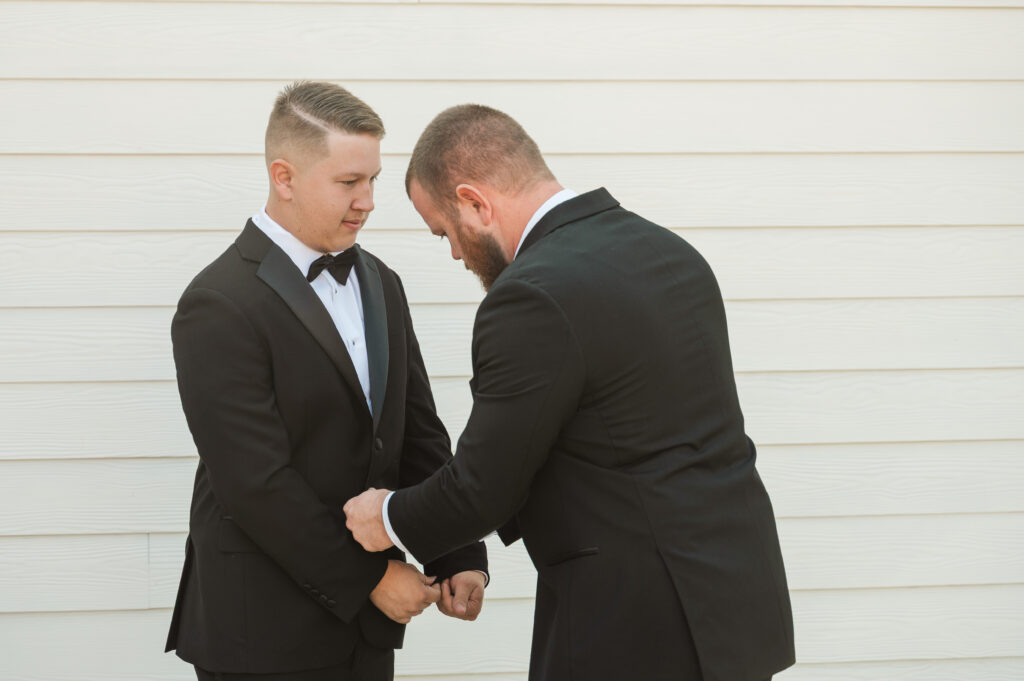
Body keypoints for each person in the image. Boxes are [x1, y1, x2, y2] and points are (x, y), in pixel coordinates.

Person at [343, 104, 795, 681]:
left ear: (475, 203)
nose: (455, 253)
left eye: (446, 232)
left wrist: (386, 515)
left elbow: (483, 488)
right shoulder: (669, 251)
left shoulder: (530, 295)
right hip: (734, 604)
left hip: (635, 623)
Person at [165, 82, 488, 681]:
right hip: (260, 632)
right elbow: (254, 484)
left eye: (373, 180)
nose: (366, 201)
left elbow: (417, 432)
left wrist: (457, 553)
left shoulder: (381, 283)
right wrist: (370, 579)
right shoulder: (217, 303)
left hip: (363, 638)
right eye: (348, 183)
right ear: (283, 177)